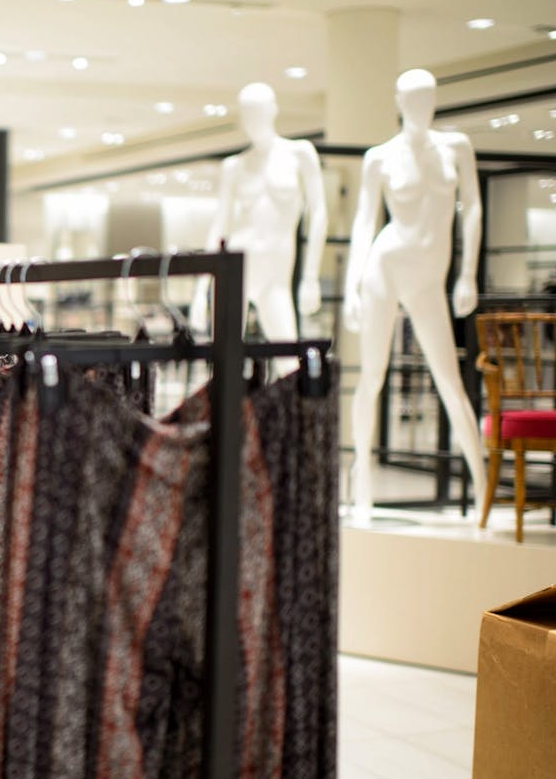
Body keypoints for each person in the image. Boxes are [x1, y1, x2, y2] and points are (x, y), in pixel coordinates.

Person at [343, 68, 486, 519]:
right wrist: (351, 285)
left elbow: (473, 209)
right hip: (384, 268)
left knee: (449, 380)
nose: (422, 107)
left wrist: (468, 274)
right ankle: (361, 480)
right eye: (413, 99)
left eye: (429, 98)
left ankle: (482, 485)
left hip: (429, 278)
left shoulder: (456, 147)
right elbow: (365, 221)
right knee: (373, 376)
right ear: (399, 102)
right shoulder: (380, 157)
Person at [191, 82, 327, 364]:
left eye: (258, 111)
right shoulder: (235, 166)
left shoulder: (299, 154)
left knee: (289, 363)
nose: (252, 119)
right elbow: (220, 226)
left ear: (273, 110)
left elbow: (319, 214)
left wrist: (311, 275)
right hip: (234, 269)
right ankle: (231, 409)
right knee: (225, 364)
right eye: (246, 113)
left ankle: (285, 409)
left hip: (274, 275)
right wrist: (200, 290)